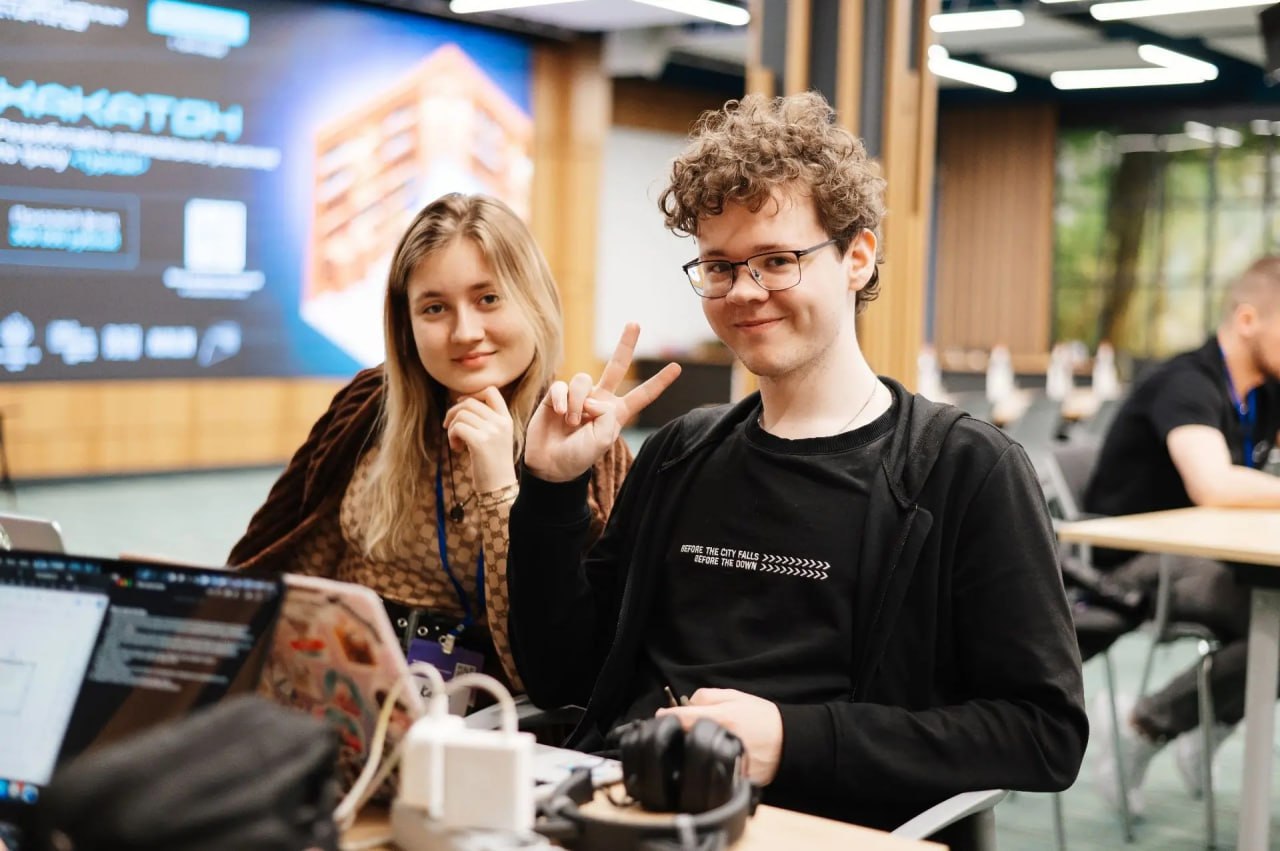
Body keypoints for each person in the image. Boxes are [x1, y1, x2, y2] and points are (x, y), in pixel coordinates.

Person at [504, 92, 1087, 833]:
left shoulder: (965, 471)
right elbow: (563, 674)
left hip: (823, 828)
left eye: (778, 261)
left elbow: (1043, 731)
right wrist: (552, 492)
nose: (744, 292)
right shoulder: (680, 453)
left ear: (857, 258)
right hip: (632, 813)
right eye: (719, 266)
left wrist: (792, 739)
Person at [229, 193, 632, 690]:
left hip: (495, 710)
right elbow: (308, 566)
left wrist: (499, 489)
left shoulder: (583, 443)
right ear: (407, 325)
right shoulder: (368, 408)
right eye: (435, 308)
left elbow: (553, 668)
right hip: (349, 690)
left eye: (488, 299)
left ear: (535, 301)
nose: (465, 332)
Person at [1083, 257, 1280, 815]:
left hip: (1212, 556)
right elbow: (1212, 483)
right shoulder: (1187, 381)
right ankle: (1148, 725)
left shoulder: (1265, 391)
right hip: (1135, 562)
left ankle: (1188, 723)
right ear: (1248, 320)